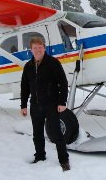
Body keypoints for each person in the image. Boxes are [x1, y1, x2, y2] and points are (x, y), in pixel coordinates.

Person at [20, 37, 70, 171]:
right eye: (35, 48)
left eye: (40, 47)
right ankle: (40, 156)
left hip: (51, 105)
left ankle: (64, 160)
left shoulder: (53, 63)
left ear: (44, 48)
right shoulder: (28, 66)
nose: (37, 50)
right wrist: (23, 105)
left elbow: (63, 83)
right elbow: (24, 86)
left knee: (56, 133)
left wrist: (62, 101)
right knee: (37, 134)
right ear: (31, 50)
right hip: (35, 106)